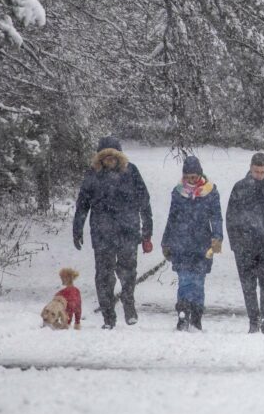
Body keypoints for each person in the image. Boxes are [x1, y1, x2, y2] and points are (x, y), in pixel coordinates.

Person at [72, 136, 153, 329]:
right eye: (105, 156)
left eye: (113, 156)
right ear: (100, 158)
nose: (109, 159)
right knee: (104, 276)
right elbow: (82, 204)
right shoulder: (92, 175)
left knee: (128, 273)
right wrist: (77, 228)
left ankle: (128, 304)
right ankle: (108, 316)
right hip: (102, 233)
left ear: (119, 157)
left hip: (128, 231)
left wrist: (147, 230)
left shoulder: (131, 171)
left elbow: (144, 201)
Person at [226, 152, 264, 334]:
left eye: (262, 171)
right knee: (248, 285)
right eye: (256, 171)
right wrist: (236, 244)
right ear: (250, 168)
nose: (259, 174)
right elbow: (231, 218)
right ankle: (254, 319)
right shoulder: (240, 188)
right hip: (244, 246)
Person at [161, 155, 223, 332]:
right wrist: (166, 242)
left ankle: (196, 316)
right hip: (181, 244)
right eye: (188, 177)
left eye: (194, 177)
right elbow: (171, 219)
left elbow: (216, 217)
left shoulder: (210, 192)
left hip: (202, 244)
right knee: (184, 281)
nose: (191, 180)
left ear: (200, 175)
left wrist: (217, 237)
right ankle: (183, 315)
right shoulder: (178, 193)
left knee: (198, 282)